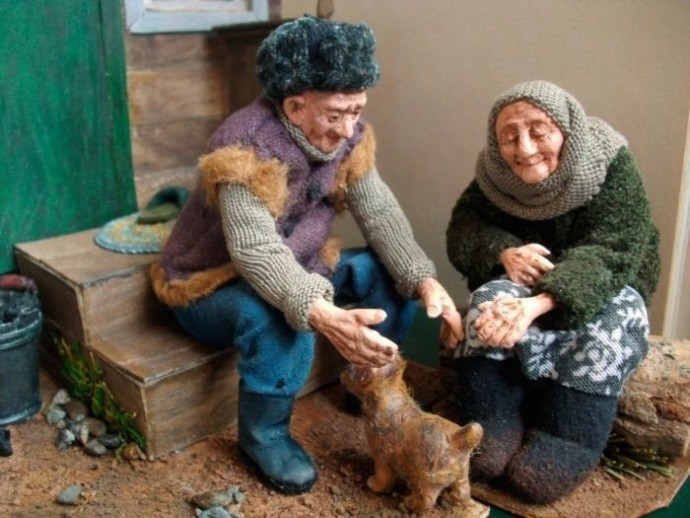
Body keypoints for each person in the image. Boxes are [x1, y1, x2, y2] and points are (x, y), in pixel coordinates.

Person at [150, 16, 462, 495]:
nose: (348, 129)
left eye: (356, 111)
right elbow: (254, 250)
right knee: (278, 319)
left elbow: (378, 211)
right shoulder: (244, 146)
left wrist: (424, 279)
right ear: (295, 106)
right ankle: (265, 435)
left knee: (384, 273)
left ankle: (369, 383)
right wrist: (321, 313)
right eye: (335, 115)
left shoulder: (349, 137)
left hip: (300, 263)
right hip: (214, 280)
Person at [444, 80, 660, 504]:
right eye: (509, 136)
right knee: (487, 305)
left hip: (603, 283)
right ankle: (493, 422)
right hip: (527, 279)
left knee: (608, 327)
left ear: (566, 130)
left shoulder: (608, 163)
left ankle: (567, 438)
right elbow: (465, 228)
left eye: (538, 131)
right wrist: (504, 252)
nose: (524, 149)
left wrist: (539, 304)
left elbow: (613, 248)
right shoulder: (493, 174)